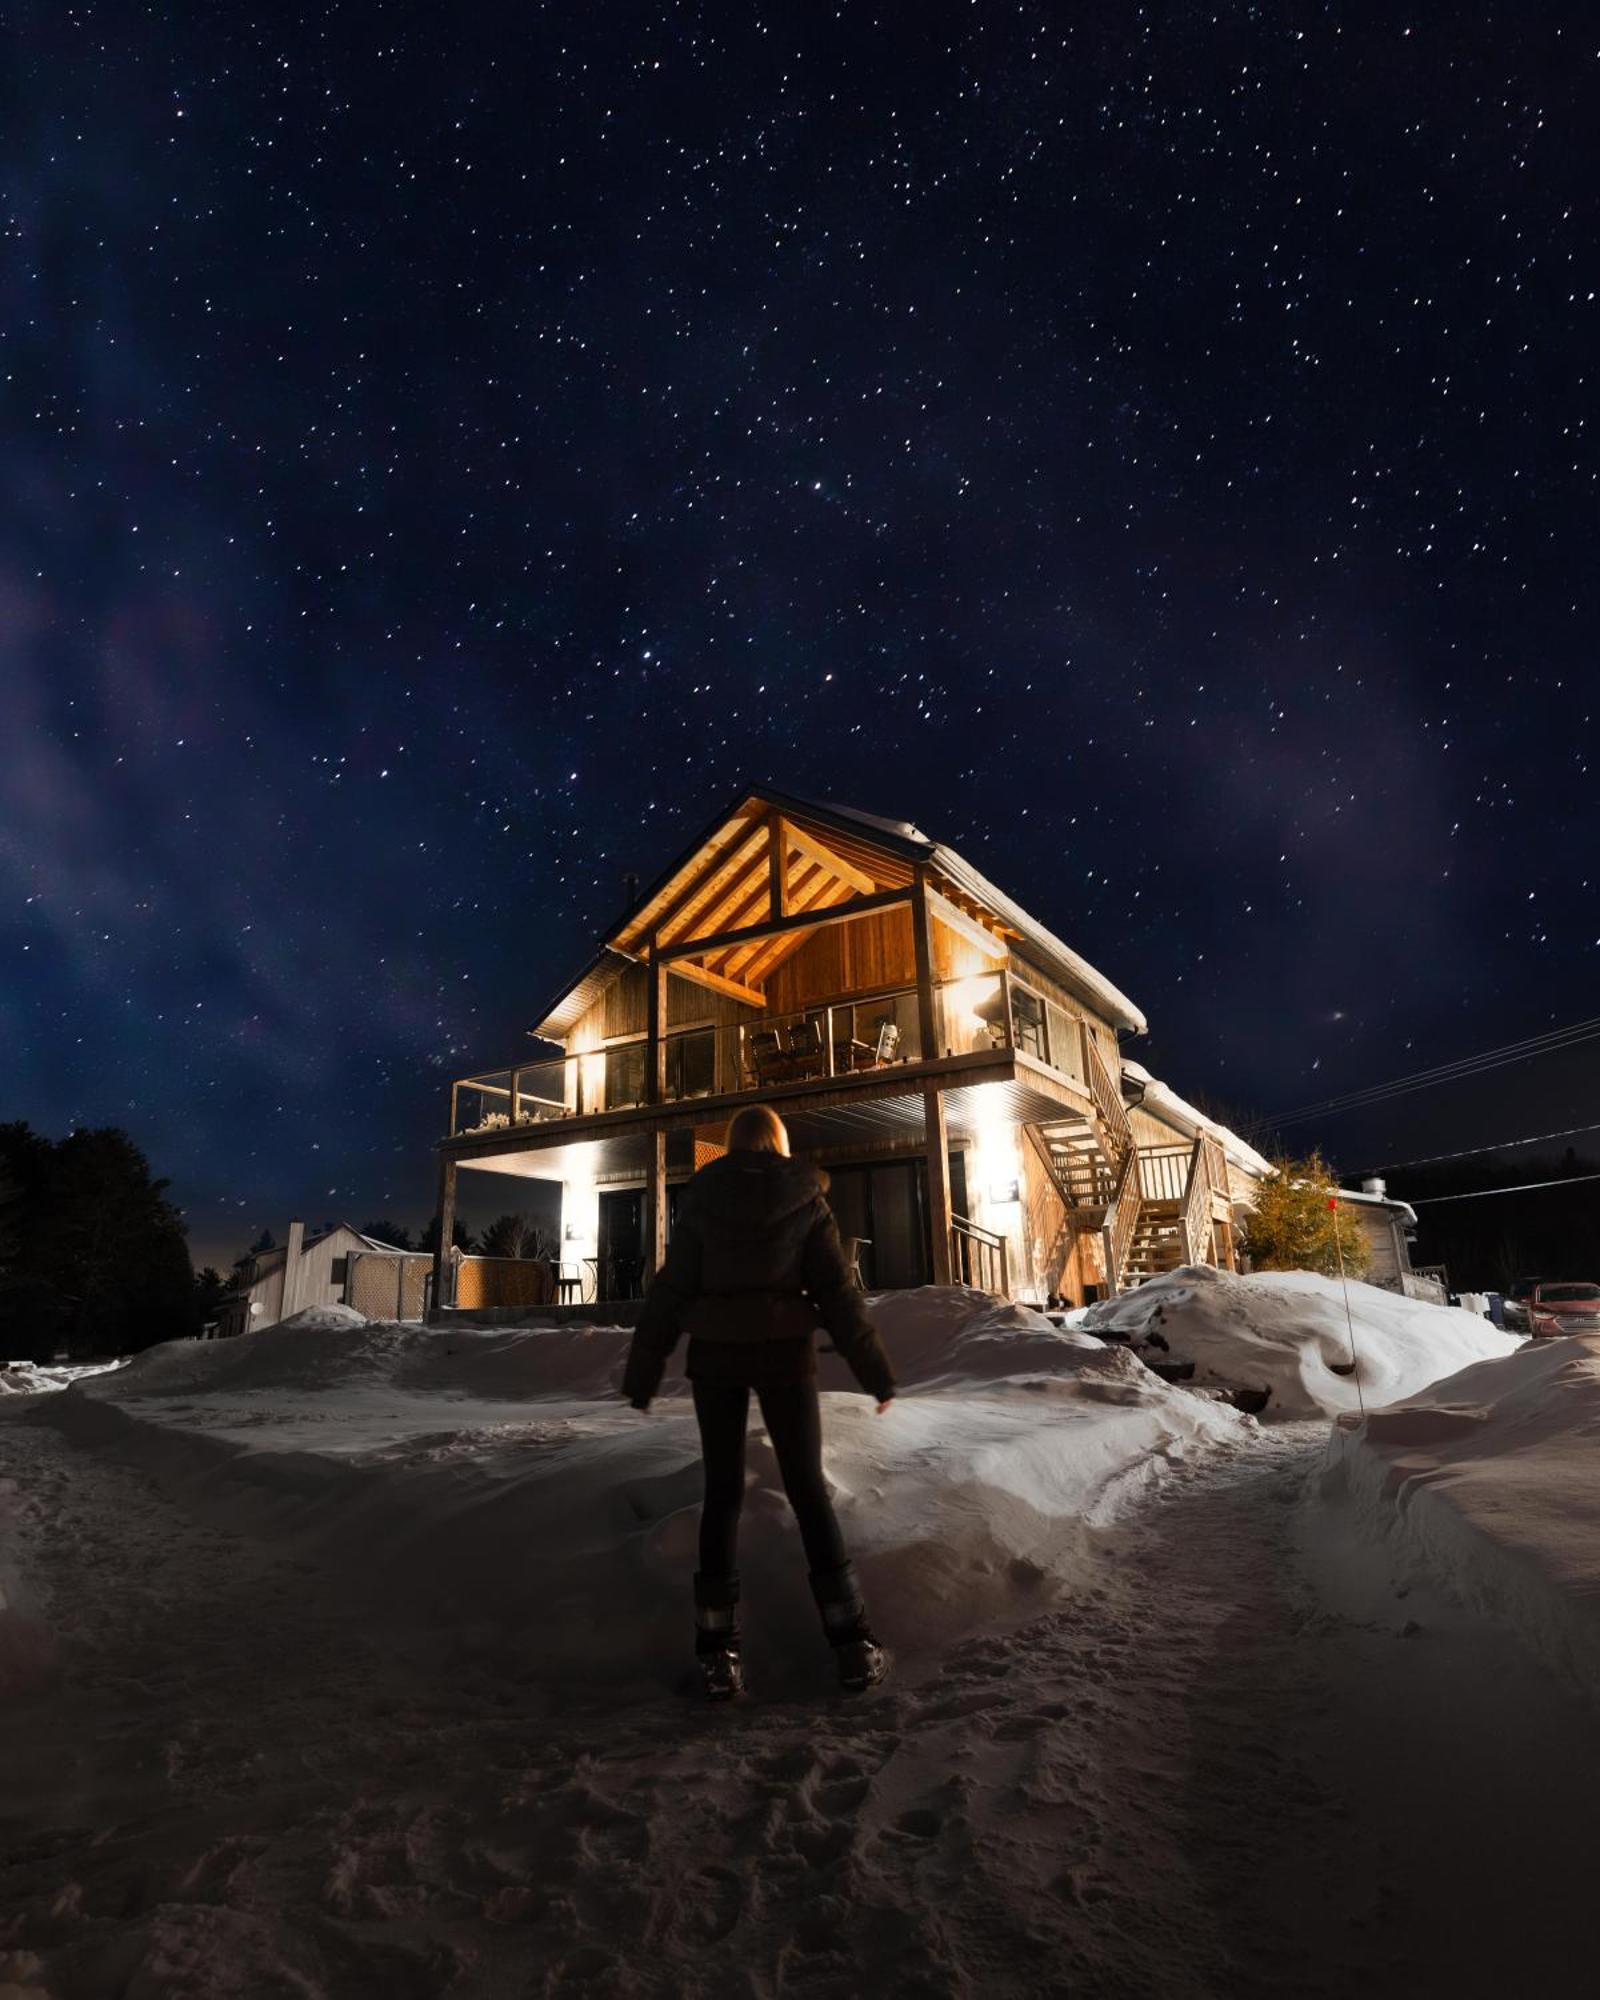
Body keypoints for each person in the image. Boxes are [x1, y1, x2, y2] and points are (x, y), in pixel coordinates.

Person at [622, 1103, 896, 1701]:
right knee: (807, 1492)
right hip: (783, 1353)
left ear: (731, 1146)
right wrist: (875, 1372)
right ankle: (851, 1642)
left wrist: (643, 1375)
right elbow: (837, 1292)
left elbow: (672, 1290)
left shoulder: (701, 1202)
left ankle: (718, 1653)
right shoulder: (805, 1199)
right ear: (779, 1141)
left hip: (716, 1356)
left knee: (722, 1496)